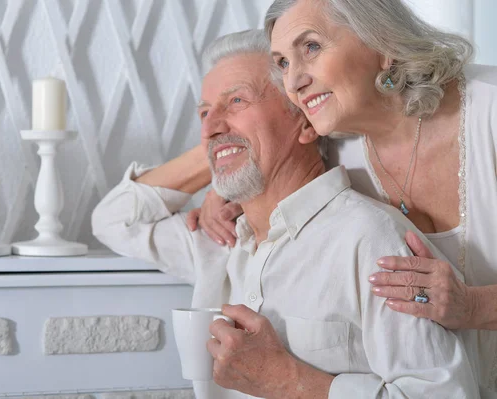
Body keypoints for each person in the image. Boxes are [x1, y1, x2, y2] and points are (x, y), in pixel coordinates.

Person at [92, 29, 479, 398]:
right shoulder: (220, 240)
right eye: (203, 112)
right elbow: (113, 220)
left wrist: (290, 382)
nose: (207, 126)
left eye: (237, 100)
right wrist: (223, 143)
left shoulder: (368, 239)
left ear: (305, 122)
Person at [189, 0, 497, 394]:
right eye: (283, 62)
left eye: (311, 47)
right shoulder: (339, 144)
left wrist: (472, 306)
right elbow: (248, 139)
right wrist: (219, 191)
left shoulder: (489, 113)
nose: (295, 80)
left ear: (382, 42)